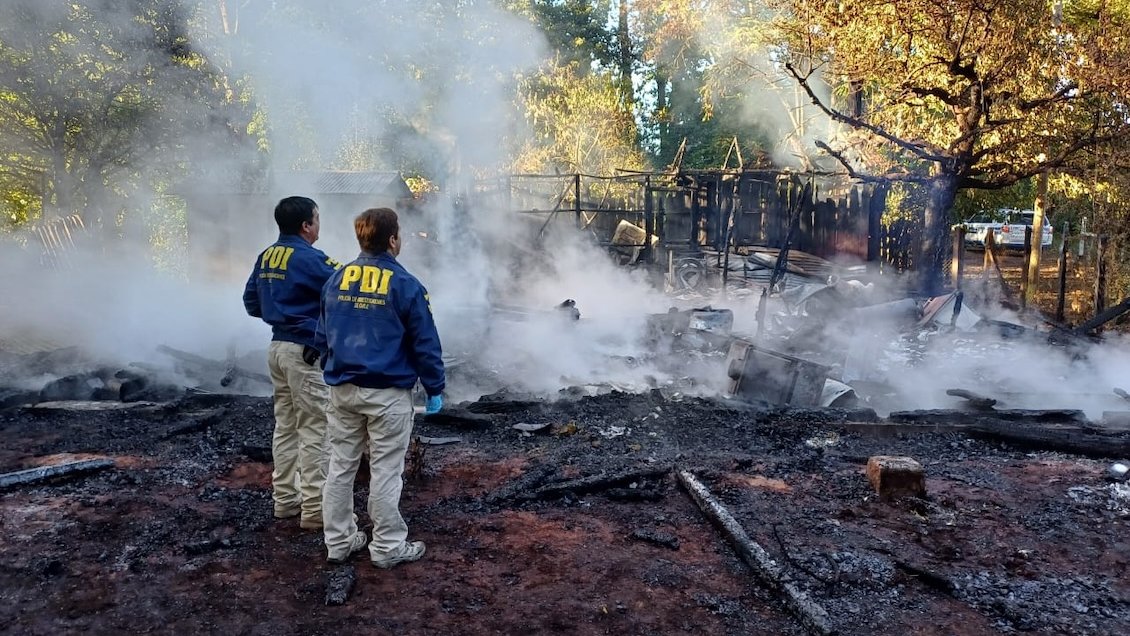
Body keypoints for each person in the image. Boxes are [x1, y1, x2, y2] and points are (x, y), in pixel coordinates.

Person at [316, 207, 445, 568]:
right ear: (392, 240)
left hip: (342, 390)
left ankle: (339, 542)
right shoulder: (406, 285)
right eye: (399, 234)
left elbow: (321, 335)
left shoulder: (336, 280)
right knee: (386, 469)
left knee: (340, 466)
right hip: (387, 395)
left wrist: (336, 369)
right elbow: (425, 343)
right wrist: (435, 388)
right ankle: (387, 547)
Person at [243, 196, 341, 531]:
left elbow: (251, 303)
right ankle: (315, 509)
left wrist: (282, 316)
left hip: (277, 349)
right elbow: (346, 291)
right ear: (306, 225)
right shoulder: (312, 259)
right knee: (317, 428)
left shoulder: (267, 256)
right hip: (305, 353)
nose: (318, 224)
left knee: (286, 427)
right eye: (317, 218)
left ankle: (285, 500)